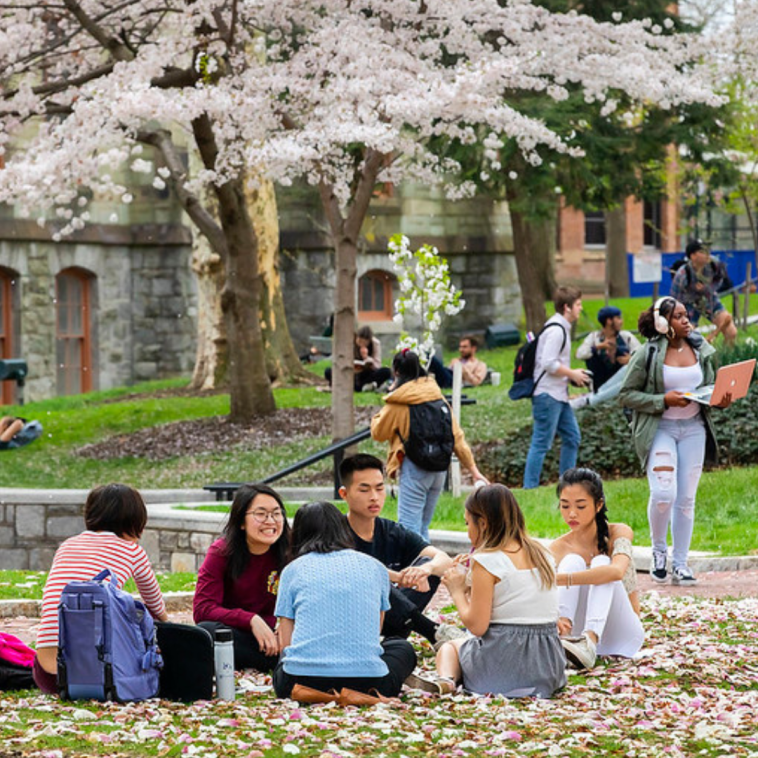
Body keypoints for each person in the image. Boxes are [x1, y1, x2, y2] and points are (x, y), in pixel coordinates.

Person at [619, 297, 731, 586]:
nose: (686, 320)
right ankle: (659, 552)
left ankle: (680, 564)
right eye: (678, 316)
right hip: (660, 430)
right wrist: (662, 400)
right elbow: (626, 395)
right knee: (663, 494)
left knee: (685, 500)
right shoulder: (648, 354)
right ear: (662, 322)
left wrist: (718, 400)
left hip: (694, 428)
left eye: (686, 314)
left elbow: (707, 386)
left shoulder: (700, 348)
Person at [425, 484, 565, 698]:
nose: (468, 531)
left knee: (450, 648)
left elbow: (477, 626)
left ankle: (446, 681)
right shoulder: (542, 553)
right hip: (547, 664)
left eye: (467, 524)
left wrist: (458, 591)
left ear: (482, 523)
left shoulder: (487, 561)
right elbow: (509, 601)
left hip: (504, 661)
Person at [272, 501, 416, 700]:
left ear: (298, 534)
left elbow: (285, 643)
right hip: (369, 682)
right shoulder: (375, 567)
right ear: (342, 529)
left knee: (286, 666)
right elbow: (375, 631)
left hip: (298, 682)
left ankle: (318, 695)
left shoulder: (292, 570)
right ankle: (356, 694)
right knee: (402, 648)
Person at [33, 484, 168, 694]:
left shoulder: (67, 545)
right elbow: (155, 605)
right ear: (135, 520)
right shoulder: (133, 551)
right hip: (99, 676)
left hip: (47, 675)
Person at [339, 454, 463, 648]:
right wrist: (397, 577)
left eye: (379, 488)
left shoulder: (392, 531)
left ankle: (396, 640)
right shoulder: (334, 531)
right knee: (375, 578)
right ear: (344, 494)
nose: (374, 497)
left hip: (392, 617)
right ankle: (431, 630)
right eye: (364, 490)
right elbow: (356, 568)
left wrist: (426, 570)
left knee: (428, 570)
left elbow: (444, 560)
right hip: (352, 621)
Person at [370, 349, 488, 539]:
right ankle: (428, 565)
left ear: (397, 372)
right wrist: (474, 471)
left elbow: (378, 432)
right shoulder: (437, 396)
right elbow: (457, 437)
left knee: (408, 529)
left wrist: (385, 403)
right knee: (423, 527)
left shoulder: (398, 403)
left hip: (414, 468)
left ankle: (418, 568)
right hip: (439, 469)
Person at [550, 468, 644, 670]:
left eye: (581, 506)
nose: (571, 514)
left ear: (598, 505)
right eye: (565, 506)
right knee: (572, 560)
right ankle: (565, 640)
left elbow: (616, 572)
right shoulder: (558, 549)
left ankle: (590, 642)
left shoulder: (619, 532)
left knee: (602, 563)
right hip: (575, 632)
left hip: (623, 633)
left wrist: (561, 579)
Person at [193, 483, 290, 672]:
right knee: (207, 632)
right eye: (261, 514)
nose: (271, 521)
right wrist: (251, 619)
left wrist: (285, 630)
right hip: (235, 634)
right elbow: (202, 609)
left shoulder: (290, 552)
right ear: (241, 522)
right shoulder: (221, 552)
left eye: (277, 514)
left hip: (274, 640)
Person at [523, 286, 591, 489]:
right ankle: (530, 487)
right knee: (542, 442)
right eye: (578, 304)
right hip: (547, 395)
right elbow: (548, 363)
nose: (581, 308)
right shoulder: (556, 330)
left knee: (572, 437)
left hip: (558, 395)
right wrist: (572, 374)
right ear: (566, 307)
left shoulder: (560, 328)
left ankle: (567, 484)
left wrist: (571, 376)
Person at [570, 306, 641, 410]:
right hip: (599, 383)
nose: (621, 322)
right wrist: (599, 347)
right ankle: (594, 397)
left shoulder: (626, 337)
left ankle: (590, 400)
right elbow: (579, 354)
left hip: (621, 386)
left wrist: (630, 359)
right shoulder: (594, 338)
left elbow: (642, 355)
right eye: (618, 318)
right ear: (609, 321)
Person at [670, 239, 737, 345]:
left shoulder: (714, 265)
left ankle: (726, 358)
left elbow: (721, 280)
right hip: (688, 304)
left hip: (708, 298)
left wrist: (707, 288)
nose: (707, 254)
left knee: (731, 332)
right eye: (702, 251)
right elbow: (675, 300)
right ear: (692, 256)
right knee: (687, 335)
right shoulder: (682, 274)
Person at [324, 325, 392, 392]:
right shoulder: (350, 342)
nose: (361, 344)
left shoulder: (375, 343)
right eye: (359, 341)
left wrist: (366, 358)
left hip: (366, 374)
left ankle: (361, 386)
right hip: (351, 373)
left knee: (386, 371)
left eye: (364, 343)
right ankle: (362, 386)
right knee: (328, 371)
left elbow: (377, 365)